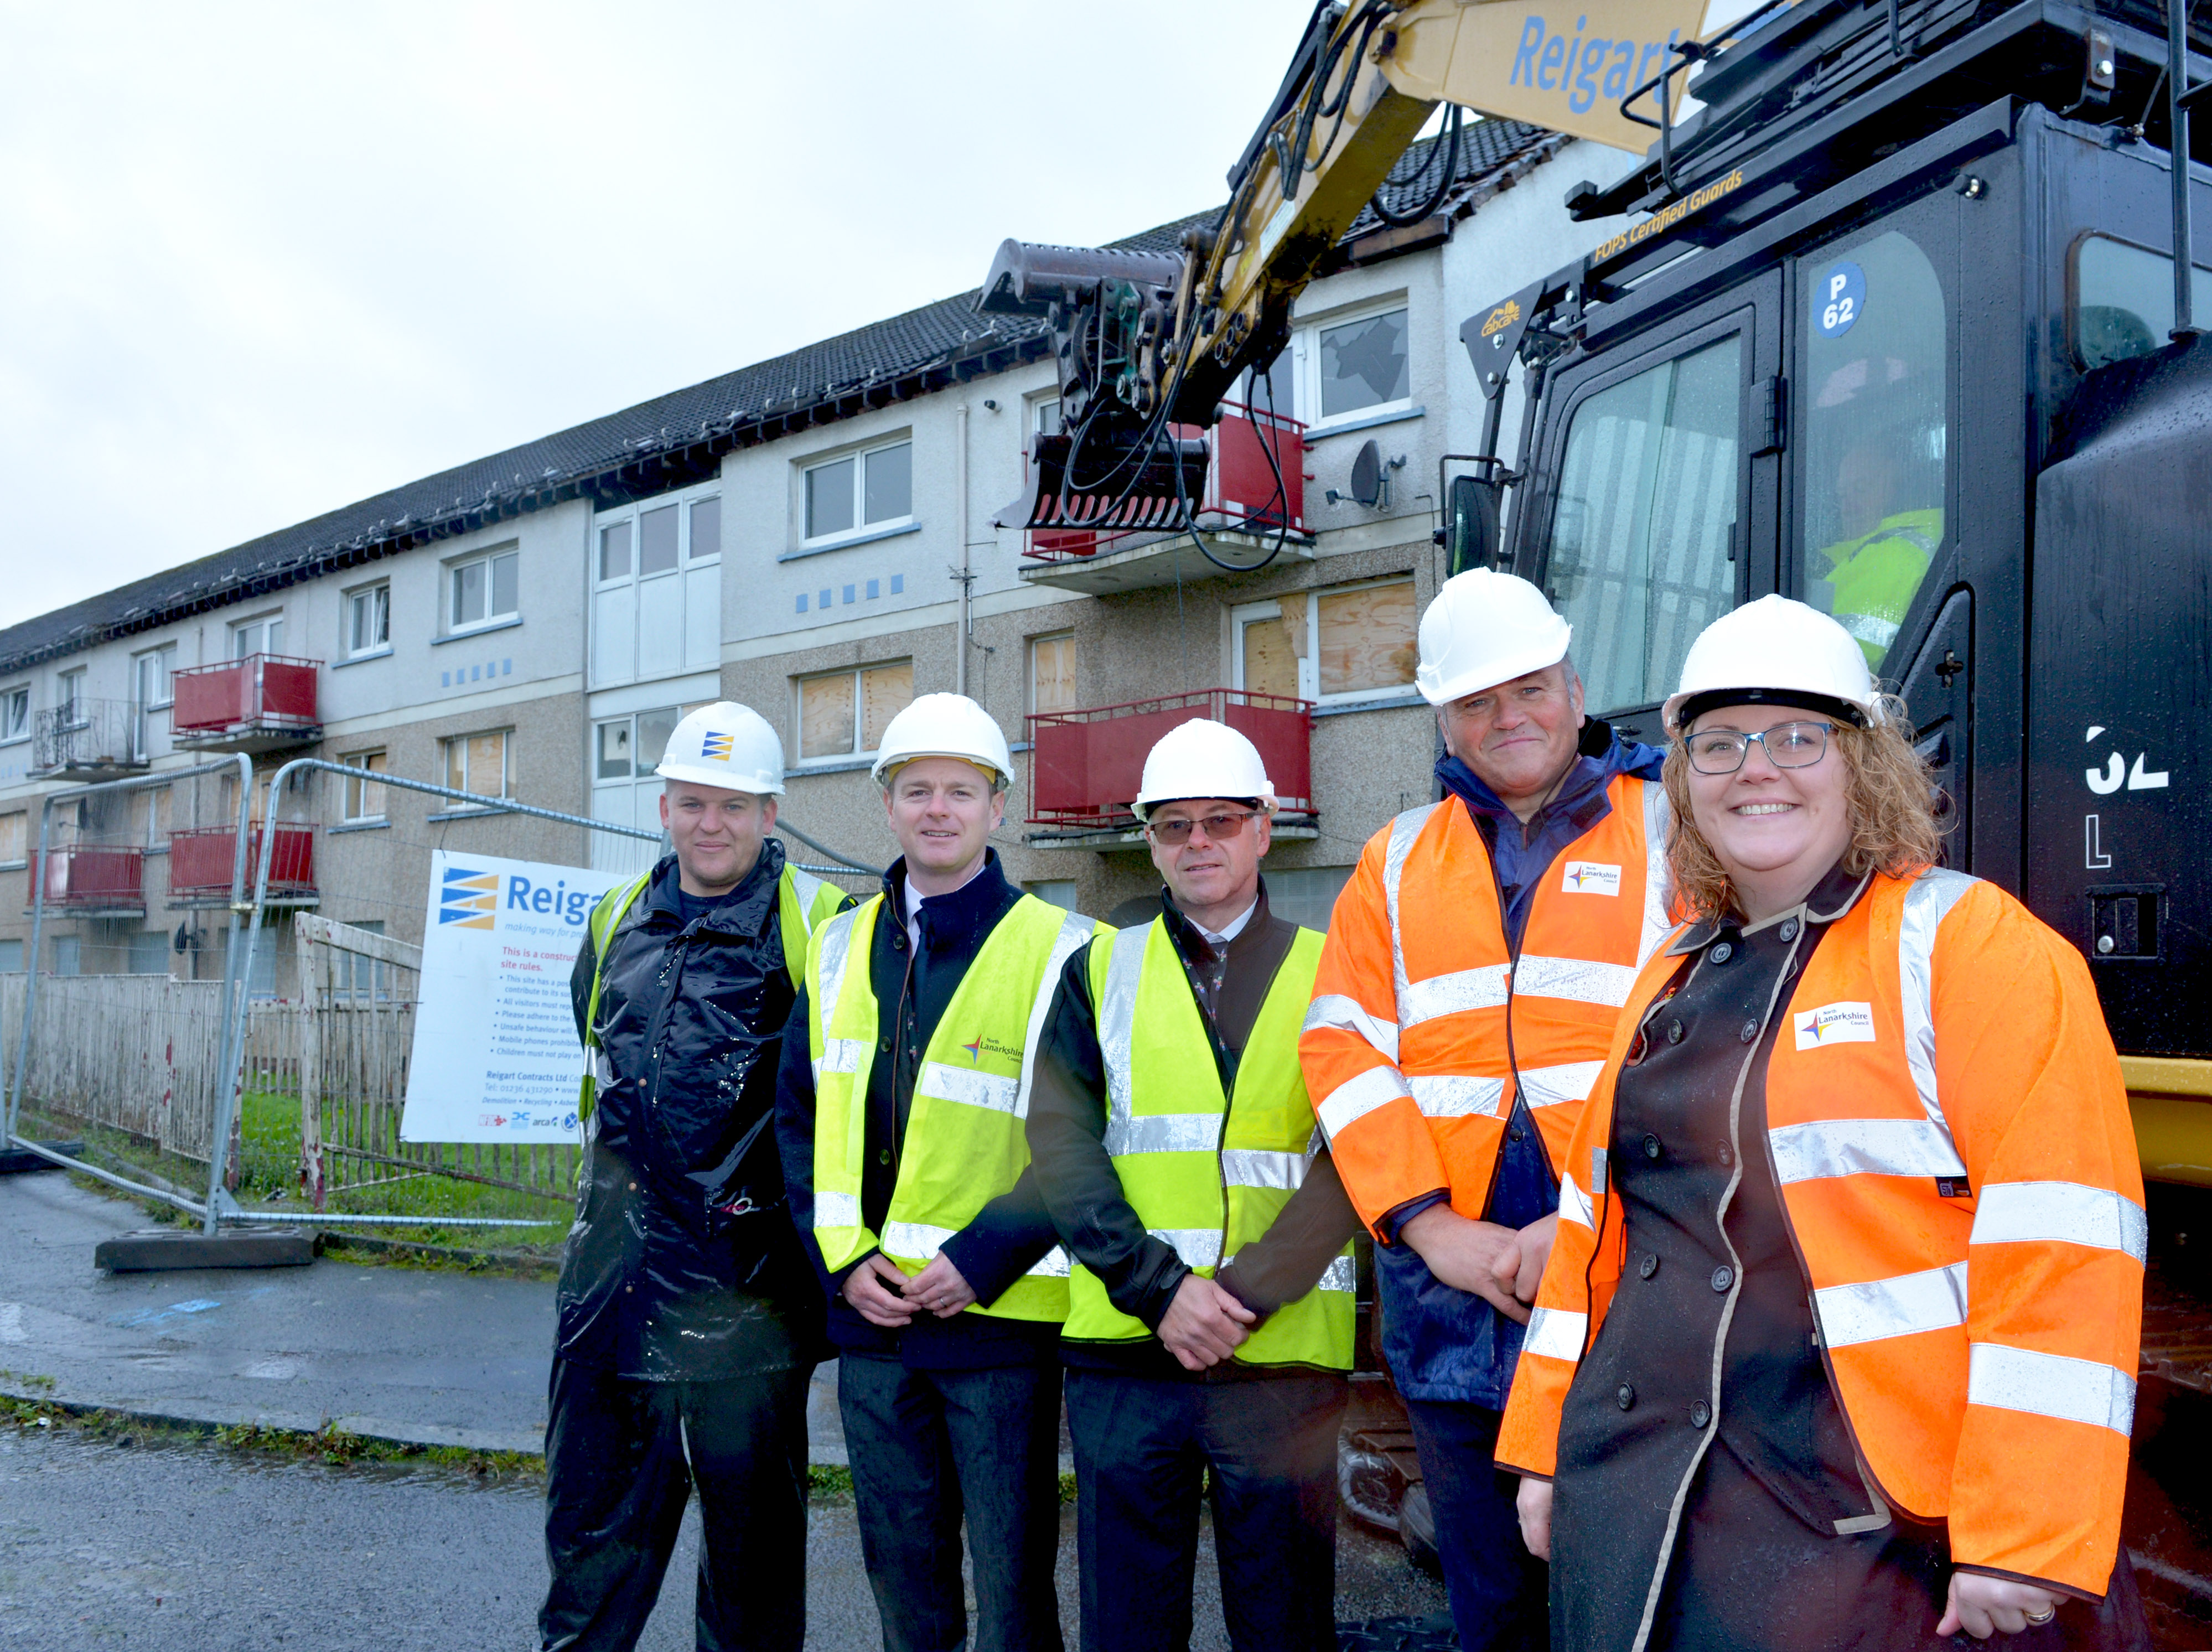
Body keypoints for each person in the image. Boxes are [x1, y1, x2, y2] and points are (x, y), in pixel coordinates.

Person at [1500, 595, 2151, 1650]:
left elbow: (2063, 1249)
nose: (1755, 767)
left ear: (1865, 762)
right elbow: (1592, 1239)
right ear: (1683, 780)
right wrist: (1543, 1449)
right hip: (1654, 1504)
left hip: (1881, 1534)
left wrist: (2023, 1530)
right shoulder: (1665, 972)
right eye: (1718, 742)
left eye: (1798, 735)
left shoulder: (1972, 946)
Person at [1298, 568, 1671, 1652]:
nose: (1508, 716)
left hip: (1625, 1273)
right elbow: (1341, 1045)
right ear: (1443, 715)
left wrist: (1593, 1220)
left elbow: (1720, 1040)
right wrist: (1430, 1225)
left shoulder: (1678, 831)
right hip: (1453, 1297)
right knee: (1491, 1603)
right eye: (1476, 700)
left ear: (1574, 683)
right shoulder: (1398, 857)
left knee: (1627, 1604)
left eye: (1530, 686)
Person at [1025, 719, 1362, 1652]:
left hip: (1279, 1356)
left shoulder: (1335, 968)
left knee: (1285, 1623)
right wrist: (1163, 1292)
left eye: (1220, 820)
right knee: (1128, 1623)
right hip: (1130, 1351)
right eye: (1174, 825)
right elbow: (1060, 1147)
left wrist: (1242, 1294)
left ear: (1265, 826)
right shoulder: (1096, 970)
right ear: (1148, 839)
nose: (1197, 842)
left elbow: (1359, 1155)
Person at [775, 692, 1099, 1652]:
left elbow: (1082, 1136)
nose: (938, 809)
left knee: (1010, 1590)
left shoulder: (1060, 948)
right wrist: (842, 1262)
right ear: (888, 804)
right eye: (916, 789)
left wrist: (985, 1255)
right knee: (903, 1581)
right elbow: (801, 1121)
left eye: (962, 790)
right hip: (873, 1324)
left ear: (998, 807)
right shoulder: (836, 945)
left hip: (997, 1323)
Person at [543, 701, 853, 1652]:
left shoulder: (823, 925)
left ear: (770, 812)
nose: (709, 823)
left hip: (744, 1302)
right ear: (664, 806)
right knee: (590, 1545)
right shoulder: (615, 915)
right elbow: (603, 1070)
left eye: (732, 804)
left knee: (751, 1564)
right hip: (609, 1288)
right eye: (690, 802)